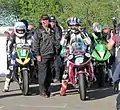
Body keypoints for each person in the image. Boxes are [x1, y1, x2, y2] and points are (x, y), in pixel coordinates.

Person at [59, 17, 95, 96]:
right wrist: (66, 36)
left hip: (83, 52)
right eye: (72, 26)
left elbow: (89, 42)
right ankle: (63, 89)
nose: (74, 27)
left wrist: (83, 34)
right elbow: (62, 43)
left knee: (90, 63)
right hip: (71, 54)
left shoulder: (83, 32)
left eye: (76, 25)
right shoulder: (67, 33)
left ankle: (92, 77)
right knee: (65, 72)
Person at [33, 14, 61, 98]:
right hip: (42, 55)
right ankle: (42, 91)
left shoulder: (52, 30)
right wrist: (37, 54)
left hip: (51, 55)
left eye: (46, 20)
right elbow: (36, 44)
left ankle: (47, 89)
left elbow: (56, 41)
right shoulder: (38, 31)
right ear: (41, 21)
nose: (45, 21)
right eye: (43, 20)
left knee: (49, 74)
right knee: (43, 74)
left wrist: (57, 49)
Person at [3, 21, 34, 92]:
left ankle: (30, 78)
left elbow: (32, 43)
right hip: (15, 53)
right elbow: (9, 45)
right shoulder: (13, 35)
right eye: (19, 30)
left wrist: (32, 50)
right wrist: (9, 53)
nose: (20, 32)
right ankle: (6, 85)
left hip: (26, 52)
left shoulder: (27, 35)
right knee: (10, 67)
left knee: (33, 63)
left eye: (21, 30)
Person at [49, 16, 63, 82]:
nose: (52, 23)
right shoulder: (46, 29)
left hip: (56, 48)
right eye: (51, 22)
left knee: (57, 64)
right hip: (48, 49)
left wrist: (56, 48)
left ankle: (57, 77)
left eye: (53, 22)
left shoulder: (58, 29)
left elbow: (58, 39)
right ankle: (50, 77)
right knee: (50, 65)